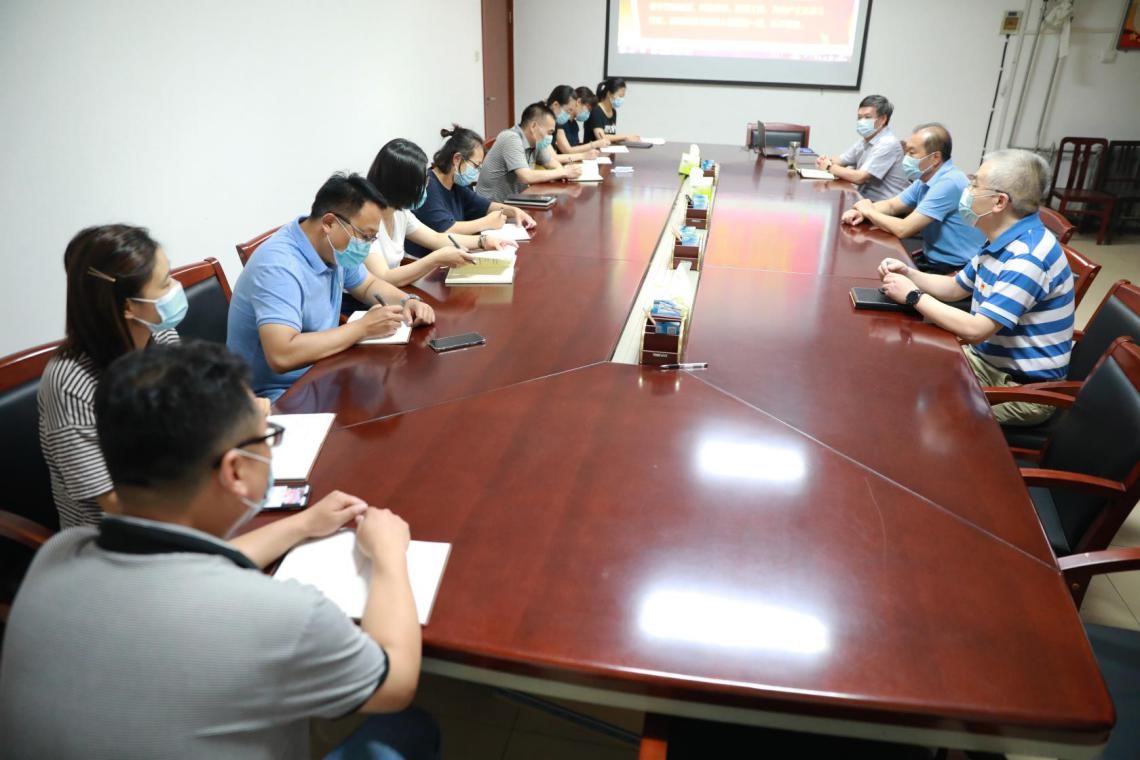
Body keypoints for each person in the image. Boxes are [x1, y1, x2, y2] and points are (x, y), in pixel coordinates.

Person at [0, 341, 439, 759]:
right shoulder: (282, 613)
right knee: (410, 728)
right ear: (235, 470)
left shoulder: (59, 552)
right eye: (267, 436)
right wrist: (388, 557)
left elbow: (189, 569)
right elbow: (395, 682)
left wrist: (301, 524)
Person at [877, 149, 1074, 426]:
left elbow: (976, 329)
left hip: (1019, 390)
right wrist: (909, 273)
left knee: (922, 414)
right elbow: (955, 287)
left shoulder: (1028, 257)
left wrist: (913, 295)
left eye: (974, 184)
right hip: (986, 363)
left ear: (999, 201)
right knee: (902, 372)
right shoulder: (1002, 238)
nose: (966, 190)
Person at [226, 173, 435, 402]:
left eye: (372, 238)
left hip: (323, 370)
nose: (366, 245)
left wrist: (408, 301)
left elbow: (368, 285)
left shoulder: (332, 249)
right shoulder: (278, 266)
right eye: (364, 236)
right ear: (328, 223)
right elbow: (282, 355)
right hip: (277, 396)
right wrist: (361, 328)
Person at [38, 225, 190, 528]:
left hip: (179, 496)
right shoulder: (71, 384)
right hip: (113, 535)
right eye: (164, 284)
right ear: (128, 307)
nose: (176, 287)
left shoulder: (160, 336)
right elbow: (115, 503)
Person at [841, 123, 984, 273]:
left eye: (912, 153)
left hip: (956, 269)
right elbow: (892, 206)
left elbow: (904, 229)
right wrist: (860, 212)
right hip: (932, 259)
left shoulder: (949, 182)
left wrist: (869, 211)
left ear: (935, 158)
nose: (906, 158)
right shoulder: (925, 179)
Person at [366, 137, 518, 267]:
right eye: (421, 181)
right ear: (401, 184)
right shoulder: (367, 220)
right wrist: (435, 259)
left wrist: (483, 241)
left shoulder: (401, 212)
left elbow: (436, 238)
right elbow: (384, 277)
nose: (425, 185)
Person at [410, 125, 537, 255]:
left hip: (454, 252)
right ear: (457, 159)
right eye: (476, 166)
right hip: (428, 259)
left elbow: (486, 206)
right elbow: (446, 230)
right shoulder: (428, 186)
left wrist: (514, 211)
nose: (477, 172)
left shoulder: (456, 183)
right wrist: (486, 222)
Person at [475, 102, 583, 203]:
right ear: (533, 126)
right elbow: (526, 176)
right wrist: (564, 172)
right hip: (490, 207)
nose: (550, 137)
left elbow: (552, 163)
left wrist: (563, 172)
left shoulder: (536, 142)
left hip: (515, 201)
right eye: (549, 132)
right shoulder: (511, 138)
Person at [814, 94, 909, 202]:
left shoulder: (888, 143)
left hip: (886, 205)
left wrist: (829, 167)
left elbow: (859, 178)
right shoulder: (865, 140)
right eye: (859, 118)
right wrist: (824, 160)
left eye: (867, 117)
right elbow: (841, 160)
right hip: (865, 200)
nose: (862, 121)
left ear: (883, 119)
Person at [546, 85, 605, 159]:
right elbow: (567, 151)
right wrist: (592, 146)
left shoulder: (573, 124)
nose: (569, 114)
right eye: (569, 110)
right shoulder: (558, 122)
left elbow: (553, 157)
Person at [584, 77, 640, 145]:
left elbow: (612, 137)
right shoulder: (596, 110)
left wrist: (627, 139)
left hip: (608, 148)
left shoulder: (613, 111)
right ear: (609, 94)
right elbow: (601, 137)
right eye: (620, 96)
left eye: (623, 96)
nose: (622, 99)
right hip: (592, 150)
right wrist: (626, 137)